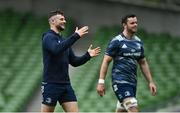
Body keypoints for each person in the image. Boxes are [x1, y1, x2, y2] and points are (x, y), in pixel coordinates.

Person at [41, 10, 101, 112]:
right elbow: (56, 49)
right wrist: (75, 36)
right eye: (61, 19)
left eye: (64, 19)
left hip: (65, 85)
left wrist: (87, 55)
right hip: (51, 85)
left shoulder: (64, 41)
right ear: (52, 21)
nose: (64, 21)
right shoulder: (48, 37)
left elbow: (74, 62)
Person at [96, 14, 157, 112]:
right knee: (133, 108)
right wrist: (101, 82)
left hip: (132, 83)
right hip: (120, 81)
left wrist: (150, 82)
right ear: (124, 25)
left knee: (122, 110)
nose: (135, 25)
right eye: (132, 23)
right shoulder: (117, 41)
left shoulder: (138, 42)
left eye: (136, 22)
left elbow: (143, 63)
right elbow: (106, 61)